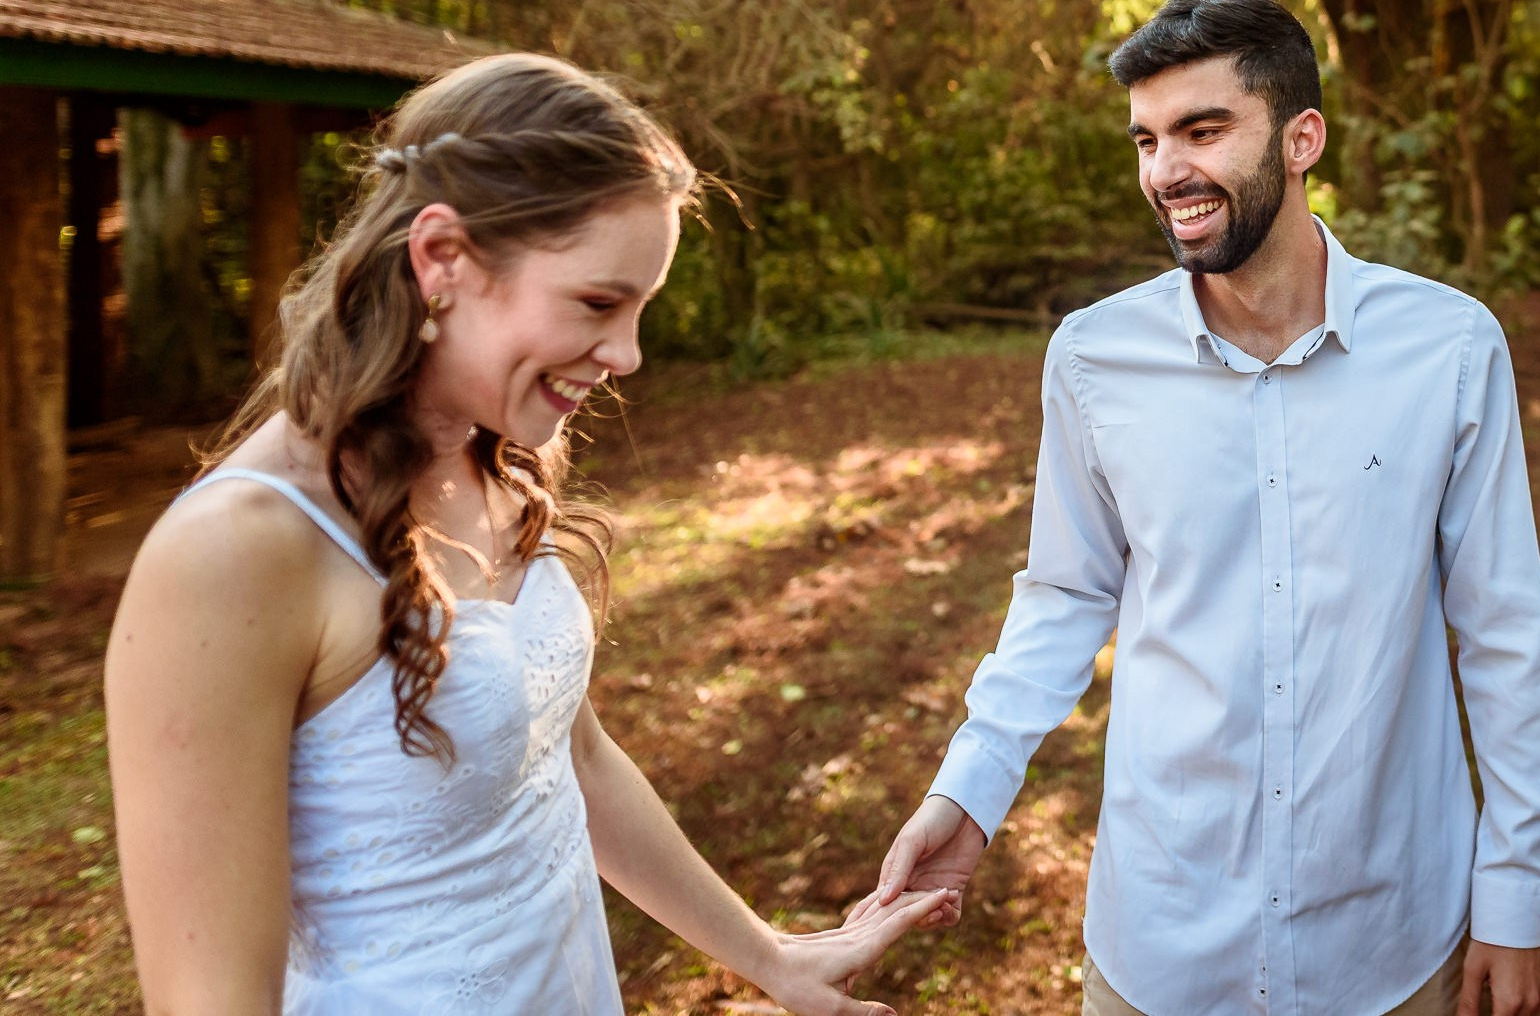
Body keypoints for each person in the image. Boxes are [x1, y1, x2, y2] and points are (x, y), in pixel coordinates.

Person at [105, 53, 950, 1016]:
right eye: (598, 303)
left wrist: (773, 957)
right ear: (442, 259)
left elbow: (571, 758)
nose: (628, 354)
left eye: (640, 309)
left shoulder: (497, 454)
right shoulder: (233, 554)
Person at [855, 0, 1540, 1016]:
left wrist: (1514, 895)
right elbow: (1064, 595)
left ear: (1300, 138)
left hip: (1391, 943)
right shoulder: (1092, 358)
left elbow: (1502, 632)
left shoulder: (1450, 349)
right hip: (1160, 944)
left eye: (1201, 130)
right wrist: (968, 792)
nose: (1164, 171)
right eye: (1146, 140)